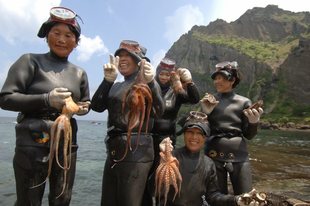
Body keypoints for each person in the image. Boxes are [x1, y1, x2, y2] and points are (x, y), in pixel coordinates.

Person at [0, 7, 90, 206]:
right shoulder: (29, 61)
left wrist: (81, 108)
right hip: (32, 142)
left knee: (62, 199)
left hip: (66, 145)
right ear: (47, 36)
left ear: (75, 43)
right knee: (29, 200)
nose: (62, 39)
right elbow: (6, 98)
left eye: (68, 35)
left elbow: (85, 103)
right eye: (56, 33)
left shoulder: (79, 73)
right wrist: (46, 99)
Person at [91, 39, 164, 206]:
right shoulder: (116, 86)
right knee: (108, 201)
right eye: (120, 56)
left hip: (137, 152)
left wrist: (152, 82)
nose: (122, 59)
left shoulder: (146, 84)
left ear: (139, 62)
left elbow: (158, 112)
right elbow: (96, 107)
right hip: (114, 150)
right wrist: (107, 81)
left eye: (127, 56)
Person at [155, 112, 266, 206]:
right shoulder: (171, 157)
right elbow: (153, 190)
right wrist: (163, 160)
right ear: (184, 133)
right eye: (190, 132)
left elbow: (213, 196)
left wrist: (236, 200)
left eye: (199, 133)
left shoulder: (208, 163)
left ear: (205, 137)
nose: (194, 137)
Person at [200, 61, 264, 195]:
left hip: (238, 154)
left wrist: (253, 122)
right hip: (213, 153)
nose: (216, 82)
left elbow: (249, 135)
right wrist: (204, 114)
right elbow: (200, 130)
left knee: (245, 196)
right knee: (215, 197)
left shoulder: (244, 102)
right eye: (215, 79)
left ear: (232, 80)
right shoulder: (210, 101)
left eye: (220, 78)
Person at [152, 57, 200, 153]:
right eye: (161, 74)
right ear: (156, 74)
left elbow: (194, 99)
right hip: (148, 138)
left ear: (172, 77)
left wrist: (189, 82)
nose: (164, 78)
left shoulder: (175, 92)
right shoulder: (149, 89)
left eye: (168, 75)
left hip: (167, 140)